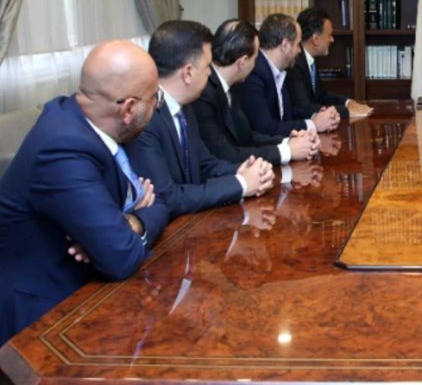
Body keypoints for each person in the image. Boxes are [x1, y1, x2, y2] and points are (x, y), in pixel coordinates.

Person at [0, 41, 170, 345]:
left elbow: (161, 199)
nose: (156, 107)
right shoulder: (62, 148)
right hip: (46, 316)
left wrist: (131, 222)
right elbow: (121, 256)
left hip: (92, 287)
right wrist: (127, 225)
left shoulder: (106, 124)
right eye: (154, 99)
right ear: (129, 109)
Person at [128, 20, 275, 217]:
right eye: (207, 66)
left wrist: (242, 170)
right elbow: (168, 197)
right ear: (188, 73)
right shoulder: (146, 119)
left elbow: (204, 164)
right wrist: (241, 183)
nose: (210, 72)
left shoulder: (186, 106)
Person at [192, 19, 318, 167]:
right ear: (242, 62)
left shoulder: (231, 85)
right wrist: (287, 151)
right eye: (256, 57)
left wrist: (288, 142)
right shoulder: (204, 94)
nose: (257, 63)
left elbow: (247, 135)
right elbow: (225, 154)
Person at [236, 13, 340, 136]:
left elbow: (287, 114)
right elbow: (265, 127)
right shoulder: (254, 73)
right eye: (297, 44)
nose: (300, 50)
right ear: (285, 45)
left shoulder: (278, 70)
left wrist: (316, 116)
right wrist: (313, 124)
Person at [288, 7, 372, 119]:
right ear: (315, 39)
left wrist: (348, 103)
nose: (332, 40)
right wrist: (347, 111)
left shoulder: (309, 60)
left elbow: (321, 96)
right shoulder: (295, 64)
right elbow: (304, 108)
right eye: (329, 35)